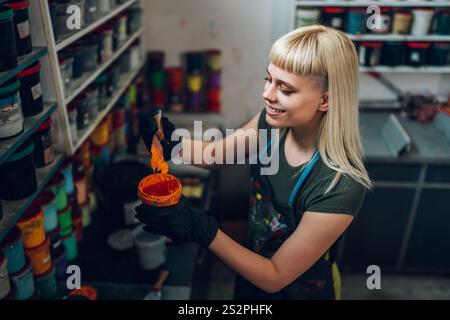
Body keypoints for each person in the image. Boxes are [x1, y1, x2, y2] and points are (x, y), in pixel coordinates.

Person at [135, 25, 372, 300]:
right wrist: (169, 143)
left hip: (295, 289)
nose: (267, 95)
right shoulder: (273, 125)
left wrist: (202, 229)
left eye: (285, 89)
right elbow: (214, 155)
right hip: (250, 267)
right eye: (268, 79)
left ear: (325, 100)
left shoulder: (340, 184)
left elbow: (274, 276)